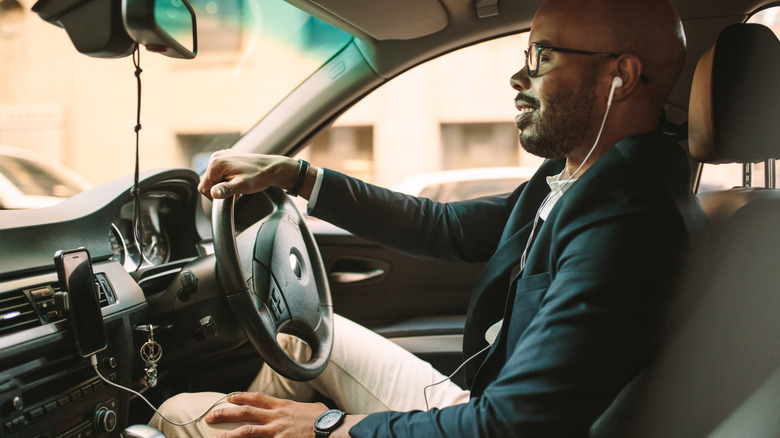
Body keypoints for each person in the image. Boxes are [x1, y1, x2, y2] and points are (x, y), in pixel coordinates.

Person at [150, 0, 706, 435]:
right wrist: (297, 176)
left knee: (180, 413)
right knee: (302, 340)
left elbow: (517, 426)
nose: (519, 77)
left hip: (490, 423)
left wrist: (326, 427)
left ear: (622, 76)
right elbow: (445, 227)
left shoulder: (628, 215)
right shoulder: (584, 175)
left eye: (542, 56)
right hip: (484, 408)